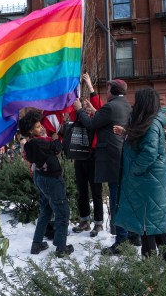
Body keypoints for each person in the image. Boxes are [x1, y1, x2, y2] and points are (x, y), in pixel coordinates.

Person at [112, 88, 166, 260]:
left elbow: (149, 153)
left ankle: (156, 263)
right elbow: (143, 142)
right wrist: (126, 133)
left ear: (144, 103)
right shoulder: (148, 123)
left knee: (149, 224)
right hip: (147, 181)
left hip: (148, 181)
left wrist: (134, 170)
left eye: (137, 101)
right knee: (151, 224)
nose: (134, 104)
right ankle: (160, 260)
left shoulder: (152, 124)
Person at [72, 78, 133, 248]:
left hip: (112, 159)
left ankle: (121, 240)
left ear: (112, 91)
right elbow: (103, 120)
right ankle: (131, 235)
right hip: (122, 156)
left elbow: (91, 123)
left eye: (107, 90)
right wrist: (93, 110)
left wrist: (79, 111)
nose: (106, 93)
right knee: (123, 197)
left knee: (115, 200)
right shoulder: (125, 105)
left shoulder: (111, 106)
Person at [18, 109, 74, 258]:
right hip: (51, 180)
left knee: (46, 211)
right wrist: (55, 137)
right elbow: (56, 148)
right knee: (62, 212)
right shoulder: (38, 143)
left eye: (40, 125)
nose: (41, 128)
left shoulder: (30, 143)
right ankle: (61, 248)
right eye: (37, 127)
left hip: (41, 178)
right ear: (30, 131)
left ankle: (37, 243)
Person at [70, 73, 104, 237]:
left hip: (94, 157)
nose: (85, 106)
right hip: (79, 157)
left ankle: (98, 223)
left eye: (87, 104)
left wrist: (90, 86)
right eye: (82, 104)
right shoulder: (77, 116)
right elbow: (71, 111)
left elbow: (99, 105)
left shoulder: (97, 117)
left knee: (96, 191)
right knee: (82, 191)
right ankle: (84, 221)